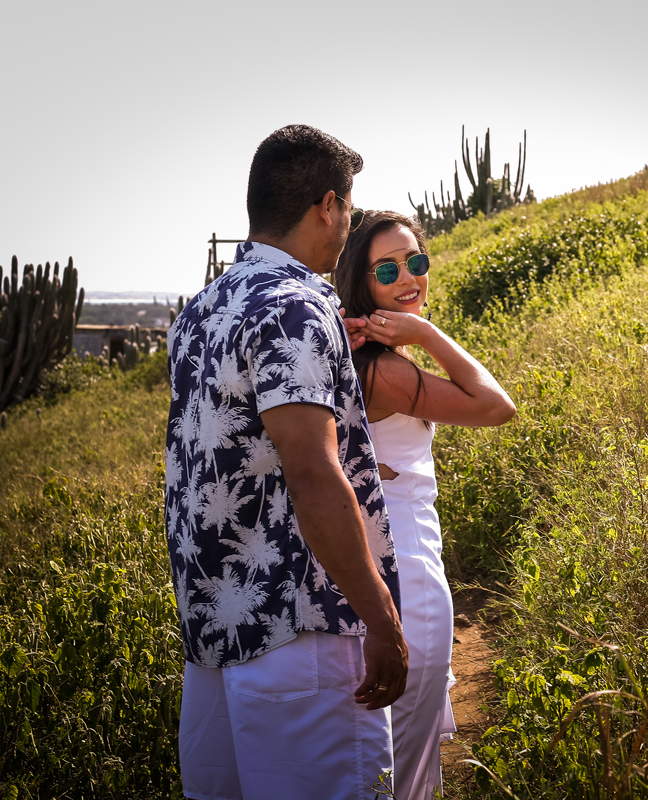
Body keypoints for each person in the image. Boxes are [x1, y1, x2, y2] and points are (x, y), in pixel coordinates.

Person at [164, 126, 408, 800]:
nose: (348, 225)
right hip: (301, 632)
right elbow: (310, 471)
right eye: (349, 209)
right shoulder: (296, 307)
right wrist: (381, 617)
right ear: (327, 205)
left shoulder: (201, 313)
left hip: (213, 637)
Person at [334, 210, 516, 799]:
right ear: (361, 281)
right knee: (405, 770)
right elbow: (496, 406)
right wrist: (427, 335)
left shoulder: (348, 357)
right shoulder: (383, 368)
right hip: (407, 567)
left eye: (417, 261)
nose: (409, 276)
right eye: (388, 268)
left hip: (376, 566)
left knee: (385, 760)